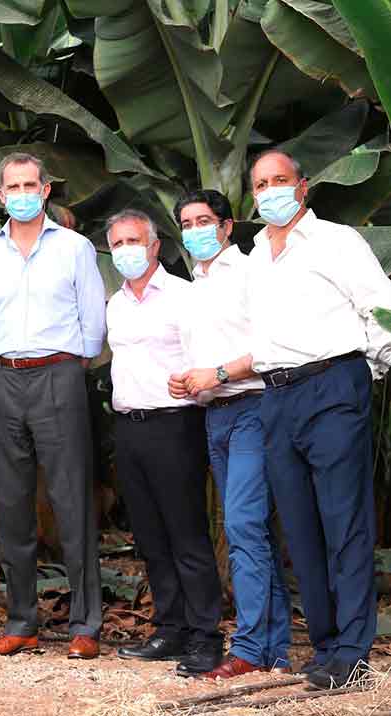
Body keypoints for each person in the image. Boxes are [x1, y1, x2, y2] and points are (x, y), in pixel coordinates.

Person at [242, 149, 391, 689]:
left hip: (332, 385)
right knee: (300, 527)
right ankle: (326, 645)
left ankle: (353, 652)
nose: (271, 190)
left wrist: (364, 374)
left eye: (280, 180)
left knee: (344, 521)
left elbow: (380, 308)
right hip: (277, 396)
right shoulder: (255, 255)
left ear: (302, 186)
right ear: (253, 195)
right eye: (261, 184)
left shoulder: (337, 241)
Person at [0, 153, 105, 659]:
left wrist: (69, 367)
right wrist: (4, 361)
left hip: (59, 375)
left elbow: (93, 319)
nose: (22, 193)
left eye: (31, 184)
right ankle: (22, 621)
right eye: (12, 187)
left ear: (45, 190)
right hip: (4, 378)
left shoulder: (74, 248)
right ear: (1, 196)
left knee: (71, 501)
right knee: (11, 503)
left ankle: (86, 625)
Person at [167, 190, 291, 679]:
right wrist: (189, 381)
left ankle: (249, 648)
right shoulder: (193, 288)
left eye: (204, 220)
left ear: (226, 225)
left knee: (242, 526)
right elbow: (203, 363)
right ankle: (273, 649)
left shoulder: (250, 272)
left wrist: (216, 372)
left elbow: (272, 344)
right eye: (186, 222)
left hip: (255, 408)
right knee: (249, 529)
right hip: (215, 416)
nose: (195, 229)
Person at [105, 209, 223, 676]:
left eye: (134, 240)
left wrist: (196, 387)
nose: (126, 250)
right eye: (117, 244)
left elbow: (205, 362)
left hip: (176, 425)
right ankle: (170, 628)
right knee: (152, 536)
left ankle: (205, 637)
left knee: (186, 533)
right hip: (129, 426)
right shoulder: (115, 303)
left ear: (155, 246)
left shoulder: (183, 296)